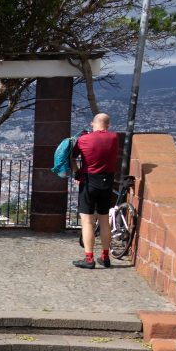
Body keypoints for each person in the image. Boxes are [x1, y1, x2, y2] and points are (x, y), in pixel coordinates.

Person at [72, 112, 120, 269]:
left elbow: (71, 156)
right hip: (107, 182)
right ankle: (105, 257)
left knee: (87, 221)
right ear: (108, 124)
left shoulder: (84, 139)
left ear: (93, 123)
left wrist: (76, 171)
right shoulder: (114, 138)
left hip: (89, 181)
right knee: (104, 220)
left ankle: (89, 259)